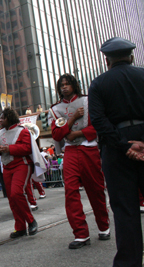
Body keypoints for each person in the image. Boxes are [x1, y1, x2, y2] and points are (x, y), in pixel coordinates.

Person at [88, 37, 144, 266]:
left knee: (124, 210)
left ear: (106, 61)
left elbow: (99, 122)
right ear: (131, 57)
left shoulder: (99, 83)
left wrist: (125, 145)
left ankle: (129, 262)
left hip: (116, 150)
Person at [49, 73, 110, 249]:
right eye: (61, 85)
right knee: (70, 191)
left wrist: (78, 133)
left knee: (96, 189)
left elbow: (98, 124)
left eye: (67, 84)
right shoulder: (55, 108)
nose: (64, 87)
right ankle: (81, 234)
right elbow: (57, 134)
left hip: (89, 148)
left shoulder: (88, 101)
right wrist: (74, 118)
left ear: (75, 85)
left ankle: (103, 226)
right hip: (70, 151)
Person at [0, 107, 38, 239]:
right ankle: (20, 227)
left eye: (2, 118)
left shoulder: (22, 131)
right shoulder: (0, 133)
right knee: (12, 198)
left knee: (17, 192)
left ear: (9, 118)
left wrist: (8, 149)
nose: (0, 120)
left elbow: (27, 148)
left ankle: (31, 221)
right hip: (7, 167)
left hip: (21, 164)